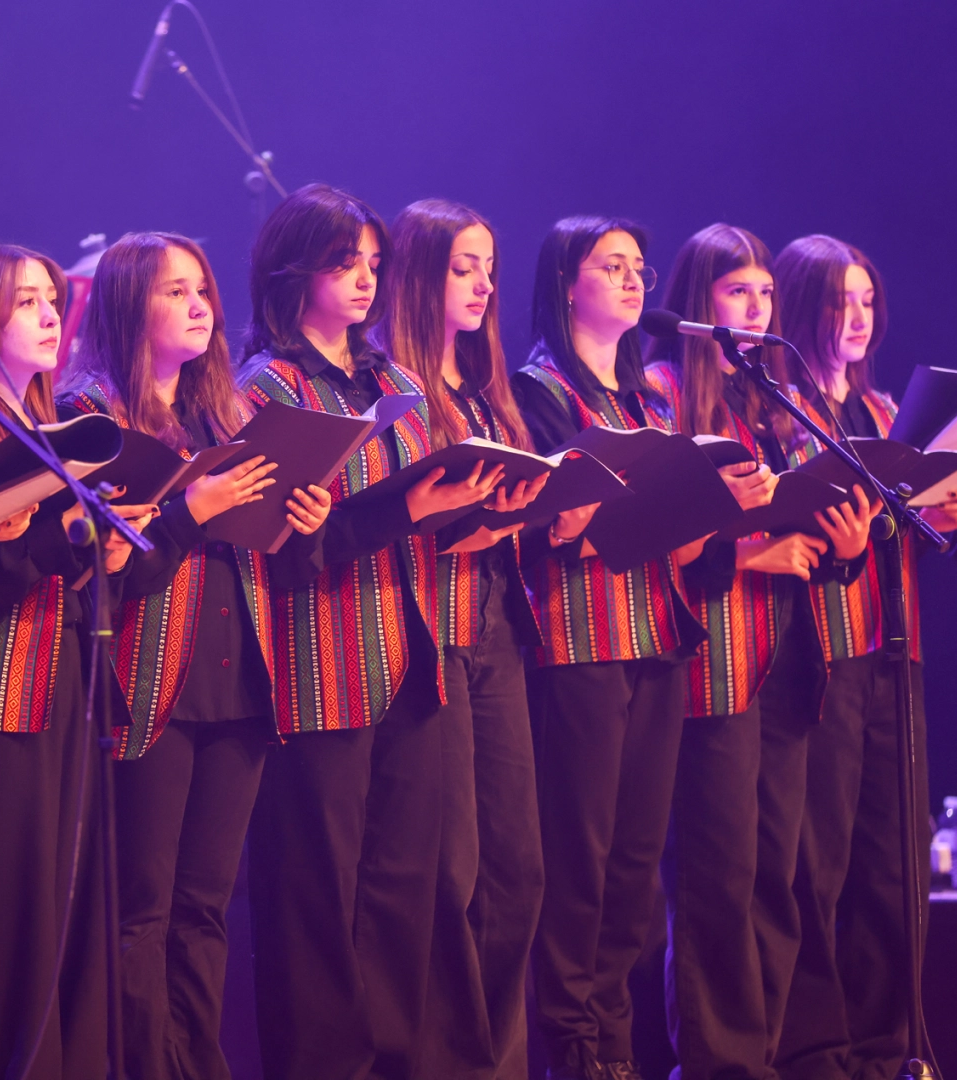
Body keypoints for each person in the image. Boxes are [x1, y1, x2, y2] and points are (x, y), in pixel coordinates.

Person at [240, 183, 501, 1080]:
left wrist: (467, 504)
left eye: (372, 266)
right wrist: (397, 512)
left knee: (405, 886)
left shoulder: (393, 379)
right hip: (316, 659)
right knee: (317, 892)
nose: (362, 281)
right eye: (343, 263)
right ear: (293, 270)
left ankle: (403, 1061)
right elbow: (280, 548)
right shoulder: (265, 384)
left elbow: (409, 507)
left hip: (409, 652)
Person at [59, 230, 330, 1080]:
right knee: (140, 909)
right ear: (126, 302)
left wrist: (298, 520)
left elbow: (260, 550)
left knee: (205, 908)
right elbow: (100, 573)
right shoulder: (91, 416)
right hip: (146, 684)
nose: (198, 305)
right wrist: (190, 510)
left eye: (202, 290)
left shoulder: (228, 413)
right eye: (175, 291)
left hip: (236, 680)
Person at [642, 223, 874, 1080]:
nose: (755, 307)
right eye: (737, 292)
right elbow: (647, 532)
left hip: (789, 662)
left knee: (777, 877)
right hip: (708, 665)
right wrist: (743, 549)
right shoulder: (662, 390)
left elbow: (810, 512)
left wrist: (844, 546)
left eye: (765, 292)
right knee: (716, 879)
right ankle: (719, 1064)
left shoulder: (778, 396)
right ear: (699, 300)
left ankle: (771, 1054)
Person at [772, 235, 957, 1080]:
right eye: (838, 303)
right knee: (818, 865)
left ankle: (888, 1044)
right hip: (818, 656)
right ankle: (819, 1051)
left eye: (866, 304)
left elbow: (894, 536)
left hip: (891, 649)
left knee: (895, 857)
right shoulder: (781, 407)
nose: (856, 319)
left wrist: (947, 516)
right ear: (804, 308)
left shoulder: (879, 410)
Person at [0, 242, 142, 1080]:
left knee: (72, 917)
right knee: (9, 925)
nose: (51, 314)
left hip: (64, 686)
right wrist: (59, 541)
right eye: (26, 302)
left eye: (52, 298)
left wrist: (109, 551)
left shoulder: (52, 431)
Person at [509, 215, 703, 1080]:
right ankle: (571, 1052)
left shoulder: (653, 398)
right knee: (577, 862)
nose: (632, 280)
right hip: (578, 639)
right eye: (610, 266)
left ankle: (616, 1052)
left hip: (657, 635)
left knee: (634, 867)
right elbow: (549, 520)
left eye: (638, 267)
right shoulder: (533, 391)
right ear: (565, 283)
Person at [376, 198, 547, 1080]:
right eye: (462, 267)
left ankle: (501, 1064)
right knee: (452, 874)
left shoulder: (483, 388)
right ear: (418, 273)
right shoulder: (386, 387)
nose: (482, 284)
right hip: (423, 638)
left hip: (492, 633)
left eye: (489, 267)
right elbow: (370, 519)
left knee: (517, 871)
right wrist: (459, 531)